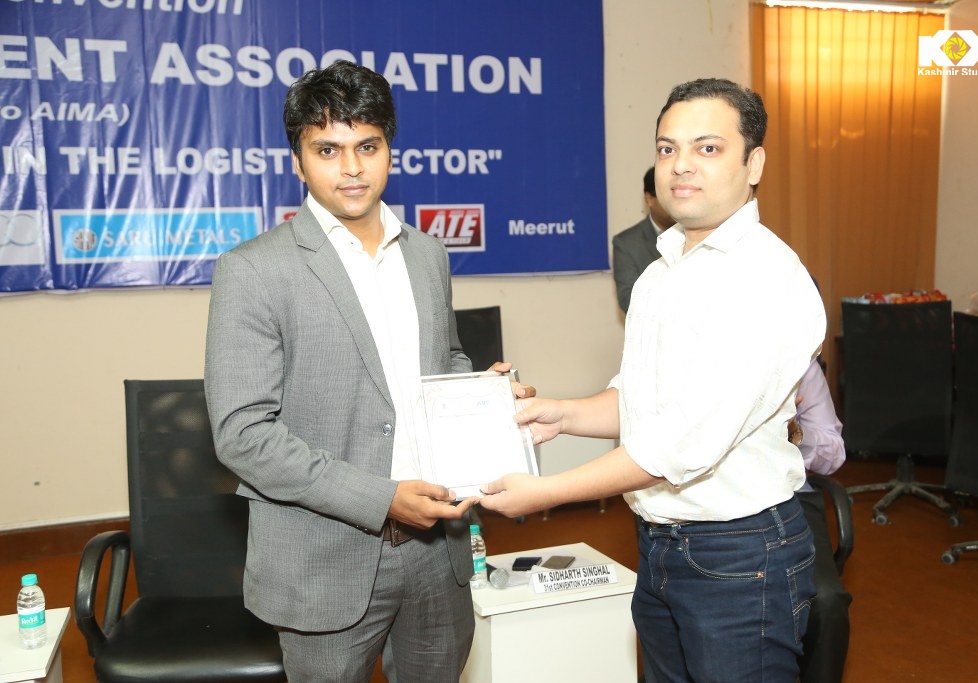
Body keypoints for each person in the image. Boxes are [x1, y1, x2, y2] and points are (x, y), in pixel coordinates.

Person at [479, 77, 826, 683]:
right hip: (660, 544)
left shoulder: (766, 279)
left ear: (754, 164)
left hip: (739, 555)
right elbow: (642, 400)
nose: (681, 165)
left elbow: (680, 444)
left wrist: (547, 492)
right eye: (668, 148)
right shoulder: (662, 272)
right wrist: (561, 414)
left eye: (707, 148)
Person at [204, 60, 528, 683]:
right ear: (298, 162)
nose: (351, 167)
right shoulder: (253, 270)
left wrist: (485, 397)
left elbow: (445, 360)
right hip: (322, 562)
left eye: (368, 146)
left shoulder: (427, 254)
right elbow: (243, 435)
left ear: (389, 151)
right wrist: (382, 501)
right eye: (328, 150)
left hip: (439, 551)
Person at [790, 359, 852, 683]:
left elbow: (834, 455)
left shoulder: (799, 361)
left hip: (789, 496)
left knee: (827, 602)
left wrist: (796, 433)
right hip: (713, 501)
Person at [612, 166, 676, 313]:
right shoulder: (627, 243)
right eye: (667, 196)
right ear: (649, 199)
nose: (675, 203)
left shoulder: (699, 233)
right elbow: (628, 300)